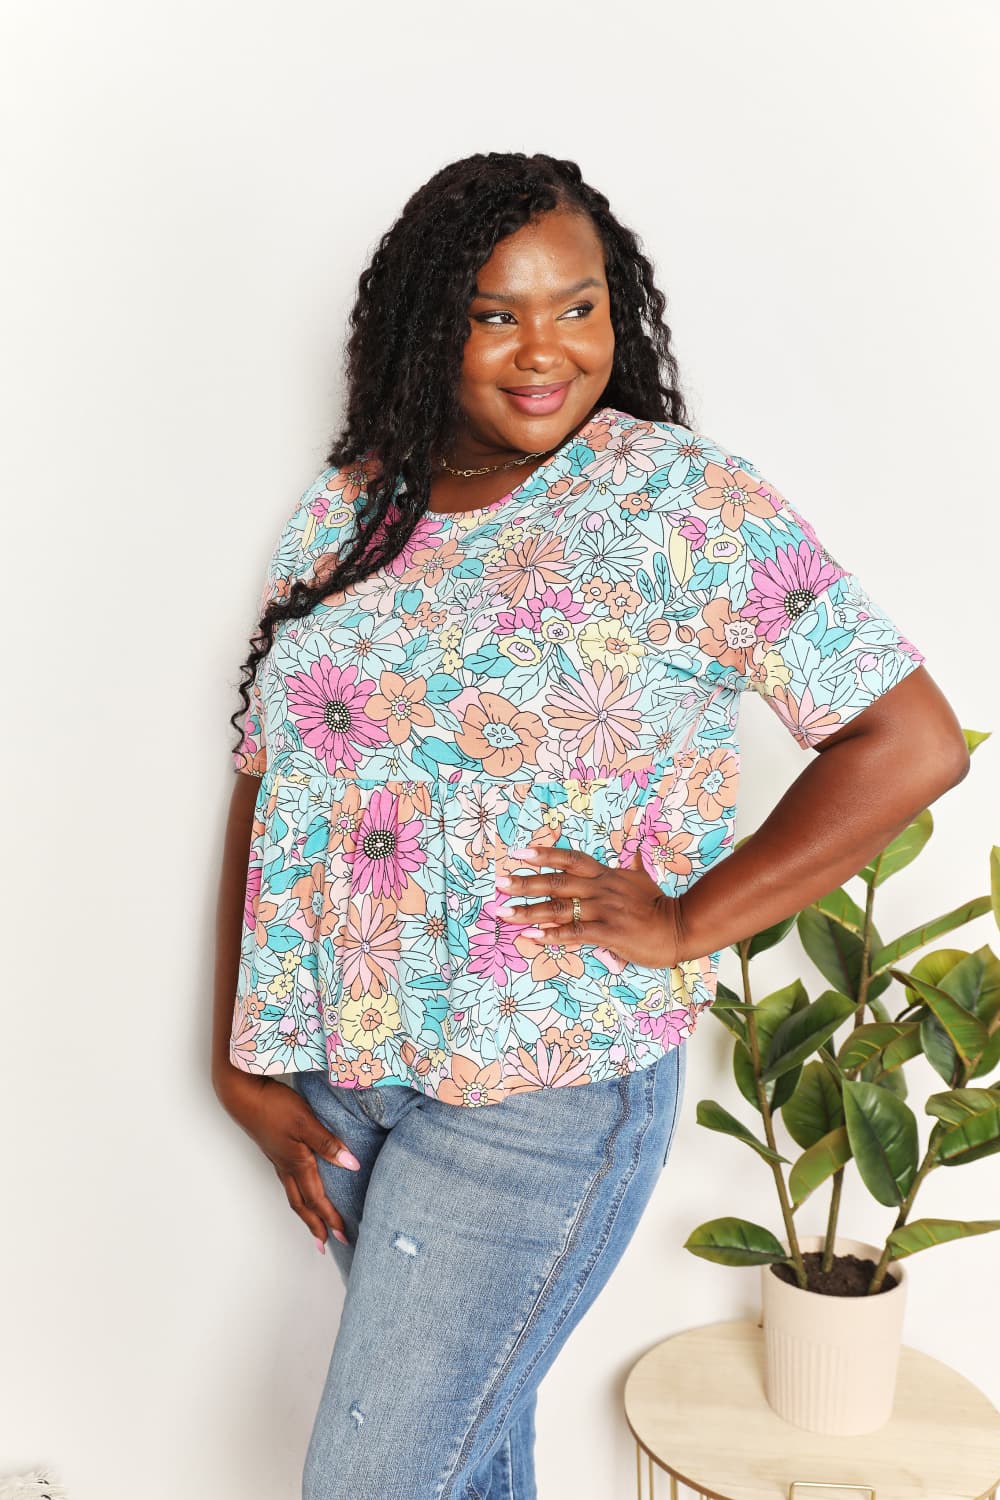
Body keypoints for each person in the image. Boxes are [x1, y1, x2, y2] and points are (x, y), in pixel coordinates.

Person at [211, 152, 969, 1500]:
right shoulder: (357, 503)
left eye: (580, 306)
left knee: (377, 1481)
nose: (542, 351)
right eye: (495, 313)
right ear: (427, 325)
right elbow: (273, 779)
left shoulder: (683, 503)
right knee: (469, 1455)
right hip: (347, 1076)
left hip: (541, 1091)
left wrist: (686, 921)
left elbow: (904, 742)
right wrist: (243, 1055)